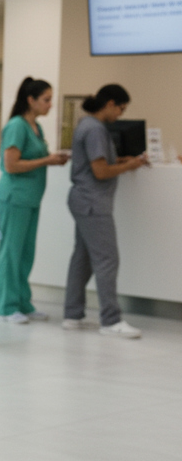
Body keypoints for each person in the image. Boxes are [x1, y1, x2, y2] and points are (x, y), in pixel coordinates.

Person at [62, 84, 148, 338]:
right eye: (121, 108)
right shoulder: (96, 129)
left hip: (83, 200)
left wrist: (125, 161)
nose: (121, 114)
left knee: (83, 258)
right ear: (110, 103)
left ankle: (72, 314)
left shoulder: (87, 125)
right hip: (93, 203)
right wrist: (128, 165)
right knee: (107, 259)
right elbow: (100, 172)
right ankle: (111, 320)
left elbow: (98, 163)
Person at [0, 78, 69, 323]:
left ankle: (23, 303)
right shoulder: (17, 126)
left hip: (31, 199)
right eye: (46, 100)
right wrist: (46, 161)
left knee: (25, 254)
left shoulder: (36, 127)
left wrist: (54, 158)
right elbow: (11, 164)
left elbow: (35, 157)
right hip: (14, 198)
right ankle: (5, 307)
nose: (50, 105)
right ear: (31, 100)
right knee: (10, 253)